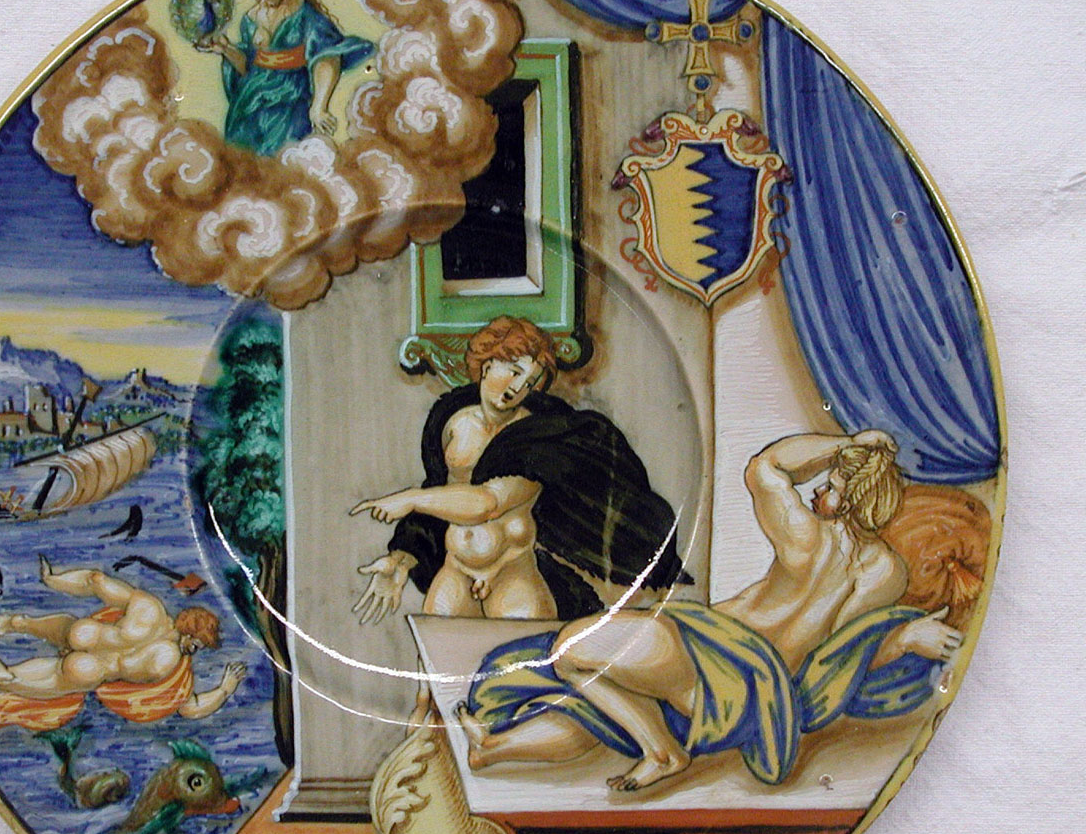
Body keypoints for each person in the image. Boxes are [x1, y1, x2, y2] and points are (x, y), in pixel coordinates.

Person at [459, 430, 964, 792]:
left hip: (707, 651)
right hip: (746, 696)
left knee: (571, 651)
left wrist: (846, 443)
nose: (817, 490)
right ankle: (493, 749)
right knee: (593, 709)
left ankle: (662, 753)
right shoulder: (886, 574)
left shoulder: (807, 536)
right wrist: (905, 638)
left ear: (850, 499)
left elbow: (765, 467)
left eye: (830, 486)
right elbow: (847, 653)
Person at [349, 316, 690, 624]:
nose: (518, 388)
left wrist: (410, 498)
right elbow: (438, 497)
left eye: (529, 383)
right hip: (456, 569)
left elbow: (487, 503)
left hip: (511, 572)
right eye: (514, 372)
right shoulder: (451, 423)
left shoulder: (538, 437)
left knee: (524, 665)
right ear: (486, 365)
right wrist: (402, 559)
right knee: (438, 662)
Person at [0, 557, 246, 735]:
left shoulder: (150, 607)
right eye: (199, 645)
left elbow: (95, 581)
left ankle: (19, 623)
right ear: (193, 637)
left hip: (86, 634)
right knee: (5, 678)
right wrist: (224, 690)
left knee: (66, 630)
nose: (196, 650)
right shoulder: (172, 661)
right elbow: (188, 706)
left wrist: (54, 579)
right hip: (87, 671)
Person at [198, 0, 374, 155]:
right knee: (244, 164)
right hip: (249, 107)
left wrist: (319, 106)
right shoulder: (249, 18)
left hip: (290, 102)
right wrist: (226, 49)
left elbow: (327, 55)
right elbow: (248, 68)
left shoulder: (302, 11)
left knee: (285, 162)